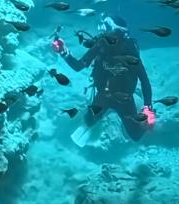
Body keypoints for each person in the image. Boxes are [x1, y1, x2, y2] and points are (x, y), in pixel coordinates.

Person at [53, 15, 154, 146]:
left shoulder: (129, 49)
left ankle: (145, 124)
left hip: (124, 98)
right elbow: (79, 66)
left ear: (116, 30)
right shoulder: (100, 45)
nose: (102, 30)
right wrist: (62, 51)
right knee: (89, 121)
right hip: (104, 96)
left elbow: (144, 80)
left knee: (135, 135)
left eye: (106, 26)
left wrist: (148, 108)